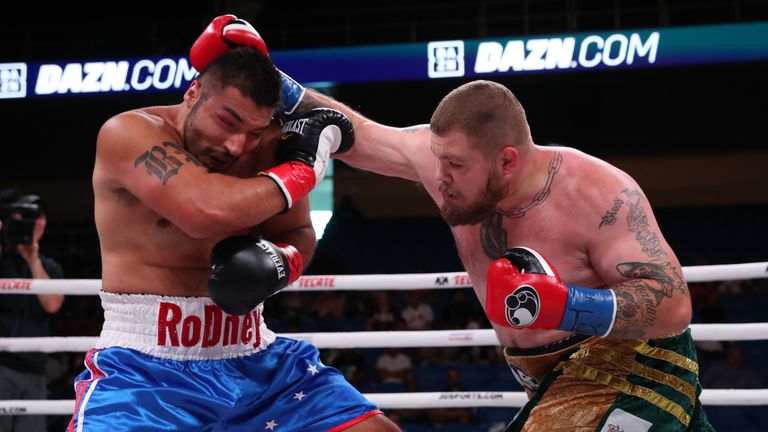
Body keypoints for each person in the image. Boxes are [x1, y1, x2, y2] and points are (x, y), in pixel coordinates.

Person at [295, 80, 714, 430]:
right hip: (548, 380)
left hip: (634, 365)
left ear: (507, 161)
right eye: (438, 160)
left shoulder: (596, 193)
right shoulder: (442, 163)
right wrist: (257, 74)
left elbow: (672, 304)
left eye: (456, 165)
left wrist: (565, 306)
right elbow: (358, 132)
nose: (439, 178)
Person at [68, 15, 399, 431]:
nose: (236, 145)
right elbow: (203, 211)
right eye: (227, 121)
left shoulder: (265, 149)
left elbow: (296, 232)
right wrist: (304, 169)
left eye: (254, 131)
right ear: (193, 93)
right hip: (145, 368)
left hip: (255, 357)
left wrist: (283, 263)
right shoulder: (129, 133)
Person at [0, 190, 65, 432]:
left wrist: (33, 259)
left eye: (38, 217)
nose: (34, 223)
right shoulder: (2, 261)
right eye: (26, 217)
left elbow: (53, 304)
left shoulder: (49, 267)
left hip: (35, 367)